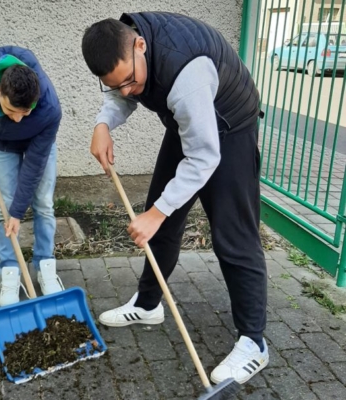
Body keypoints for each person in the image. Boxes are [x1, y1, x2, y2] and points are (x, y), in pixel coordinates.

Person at [81, 12, 268, 385]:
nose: (127, 92)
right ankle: (148, 304)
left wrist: (156, 212)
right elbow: (124, 93)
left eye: (130, 82)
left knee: (233, 237)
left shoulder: (187, 77)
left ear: (141, 45)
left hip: (229, 124)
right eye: (114, 86)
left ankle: (254, 343)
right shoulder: (128, 54)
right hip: (192, 122)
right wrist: (103, 123)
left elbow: (204, 156)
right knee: (160, 222)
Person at [0, 46, 64, 306]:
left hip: (39, 145)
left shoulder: (50, 108)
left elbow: (34, 167)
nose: (19, 119)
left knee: (43, 204)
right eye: (11, 111)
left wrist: (20, 212)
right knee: (4, 209)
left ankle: (45, 266)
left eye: (26, 112)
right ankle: (10, 271)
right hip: (1, 146)